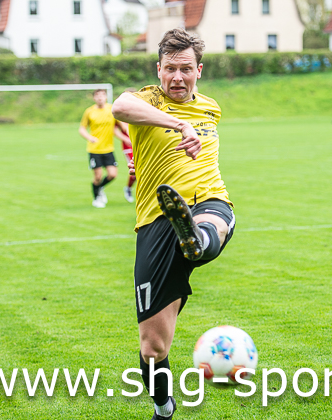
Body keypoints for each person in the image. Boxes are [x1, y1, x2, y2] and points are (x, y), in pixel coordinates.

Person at [112, 28, 234, 420]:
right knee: (153, 348)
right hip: (156, 222)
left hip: (207, 202)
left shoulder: (211, 108)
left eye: (185, 69)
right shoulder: (147, 99)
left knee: (212, 223)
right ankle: (163, 408)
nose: (177, 77)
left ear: (199, 70)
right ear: (158, 69)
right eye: (170, 69)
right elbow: (119, 107)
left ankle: (198, 239)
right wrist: (177, 125)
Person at [79, 89, 125, 208]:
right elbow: (82, 129)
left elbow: (121, 125)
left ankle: (100, 188)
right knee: (98, 176)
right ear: (94, 98)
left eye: (102, 95)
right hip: (94, 149)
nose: (100, 98)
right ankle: (97, 199)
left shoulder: (112, 109)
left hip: (108, 149)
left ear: (106, 97)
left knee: (112, 174)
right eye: (97, 96)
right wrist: (89, 137)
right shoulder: (89, 111)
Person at [116, 88, 138, 203]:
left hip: (139, 144)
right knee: (135, 170)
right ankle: (128, 188)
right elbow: (114, 130)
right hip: (128, 146)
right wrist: (125, 139)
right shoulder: (119, 112)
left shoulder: (140, 111)